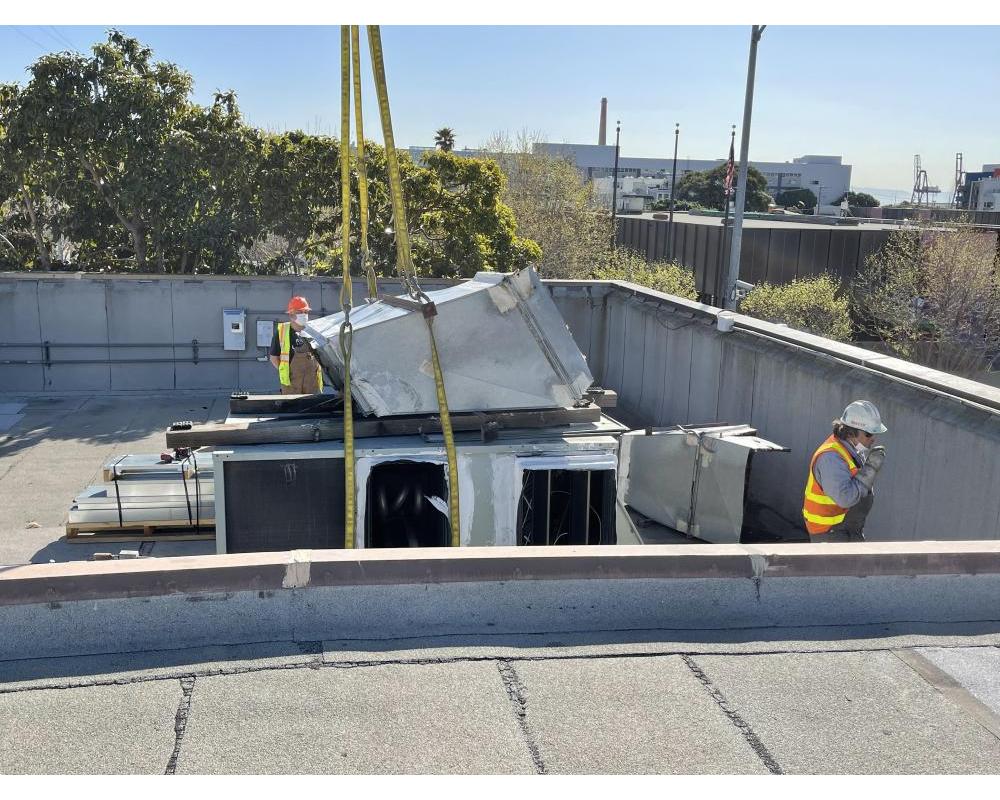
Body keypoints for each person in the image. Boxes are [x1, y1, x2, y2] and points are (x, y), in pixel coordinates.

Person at [802, 400, 887, 542]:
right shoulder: (831, 458)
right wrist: (870, 468)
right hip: (829, 534)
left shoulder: (852, 449)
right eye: (868, 434)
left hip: (846, 529)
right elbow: (845, 497)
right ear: (851, 432)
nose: (873, 439)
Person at [269, 296, 323, 395]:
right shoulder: (282, 332)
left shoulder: (314, 330)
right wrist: (286, 372)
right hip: (291, 384)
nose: (304, 315)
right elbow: (274, 358)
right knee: (292, 409)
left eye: (305, 312)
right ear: (291, 315)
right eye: (299, 312)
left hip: (312, 383)